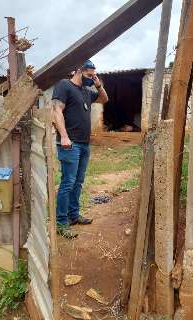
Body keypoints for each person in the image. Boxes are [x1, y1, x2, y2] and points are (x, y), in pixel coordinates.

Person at [51, 60, 109, 239]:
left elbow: (104, 99)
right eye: (89, 75)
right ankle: (61, 223)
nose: (91, 78)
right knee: (68, 182)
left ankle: (74, 216)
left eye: (93, 76)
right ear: (78, 70)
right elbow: (56, 110)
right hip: (70, 144)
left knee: (78, 182)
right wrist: (65, 136)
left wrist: (98, 85)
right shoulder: (64, 85)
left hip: (84, 144)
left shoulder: (86, 91)